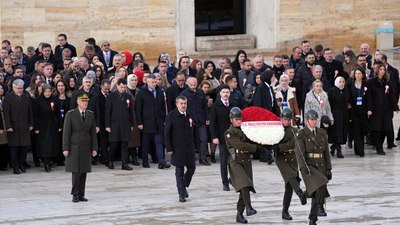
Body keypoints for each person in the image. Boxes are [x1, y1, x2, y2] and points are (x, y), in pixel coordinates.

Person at [296, 109, 332, 225]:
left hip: (320, 164)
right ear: (307, 120)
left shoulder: (321, 133)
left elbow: (326, 152)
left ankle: (312, 219)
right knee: (321, 183)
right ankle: (320, 207)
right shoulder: (302, 133)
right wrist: (302, 167)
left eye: (315, 119)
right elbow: (299, 153)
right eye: (312, 119)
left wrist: (328, 168)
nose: (314, 121)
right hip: (309, 165)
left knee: (317, 191)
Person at [224, 107, 258, 224]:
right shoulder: (229, 133)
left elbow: (252, 140)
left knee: (246, 187)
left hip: (246, 161)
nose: (239, 121)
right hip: (236, 162)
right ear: (231, 120)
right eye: (236, 119)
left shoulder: (246, 129)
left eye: (240, 119)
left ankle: (239, 214)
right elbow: (240, 145)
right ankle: (248, 207)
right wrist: (254, 148)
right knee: (244, 184)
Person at [63, 92, 98, 203]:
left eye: (86, 101)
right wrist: (65, 148)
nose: (85, 103)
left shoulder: (90, 114)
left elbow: (93, 133)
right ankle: (75, 194)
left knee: (84, 171)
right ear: (78, 102)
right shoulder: (71, 114)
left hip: (86, 146)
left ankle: (81, 194)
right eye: (83, 101)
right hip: (74, 146)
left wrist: (94, 148)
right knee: (76, 172)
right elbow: (66, 133)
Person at [274, 108, 307, 221]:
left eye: (289, 119)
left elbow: (294, 143)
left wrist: (279, 146)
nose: (287, 121)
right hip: (280, 158)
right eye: (285, 119)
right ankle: (300, 194)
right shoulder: (276, 130)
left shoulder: (295, 130)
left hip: (292, 158)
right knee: (291, 177)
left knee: (289, 186)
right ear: (281, 119)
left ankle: (285, 211)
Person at [165, 96, 196, 202]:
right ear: (177, 104)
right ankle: (181, 194)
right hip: (178, 147)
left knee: (192, 168)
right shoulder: (171, 115)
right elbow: (167, 133)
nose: (183, 105)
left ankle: (183, 185)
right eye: (181, 103)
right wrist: (169, 147)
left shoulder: (190, 114)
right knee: (179, 171)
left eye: (185, 103)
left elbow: (194, 130)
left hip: (189, 146)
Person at [135, 74, 170, 169]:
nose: (154, 84)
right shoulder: (142, 93)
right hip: (146, 123)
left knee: (159, 143)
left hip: (158, 122)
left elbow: (163, 106)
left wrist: (164, 119)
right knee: (146, 144)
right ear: (147, 82)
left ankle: (161, 162)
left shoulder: (160, 91)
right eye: (152, 82)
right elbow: (138, 109)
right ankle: (145, 161)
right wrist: (139, 122)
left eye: (155, 82)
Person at [4, 79, 34, 174]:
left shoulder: (26, 97)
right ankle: (15, 167)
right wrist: (8, 126)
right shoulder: (8, 98)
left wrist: (31, 124)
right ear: (13, 88)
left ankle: (21, 164)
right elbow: (6, 114)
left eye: (21, 88)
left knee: (25, 147)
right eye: (18, 88)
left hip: (24, 126)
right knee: (14, 149)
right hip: (13, 127)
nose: (20, 90)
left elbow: (30, 112)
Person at [367, 64, 398, 155]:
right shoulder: (371, 82)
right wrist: (369, 108)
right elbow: (369, 97)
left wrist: (395, 106)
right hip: (375, 109)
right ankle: (379, 147)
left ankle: (379, 144)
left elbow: (392, 95)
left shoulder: (387, 82)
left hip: (386, 109)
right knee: (377, 129)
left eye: (384, 69)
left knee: (385, 128)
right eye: (380, 69)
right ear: (377, 71)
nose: (382, 71)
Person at [105, 79, 135, 170]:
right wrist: (107, 125)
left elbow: (130, 112)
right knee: (114, 144)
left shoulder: (128, 97)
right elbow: (108, 112)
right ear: (117, 86)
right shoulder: (111, 96)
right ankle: (110, 161)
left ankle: (124, 164)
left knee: (125, 144)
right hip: (115, 124)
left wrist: (132, 124)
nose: (123, 89)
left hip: (125, 124)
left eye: (124, 87)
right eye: (121, 87)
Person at [33, 84, 62, 172]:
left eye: (49, 91)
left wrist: (60, 125)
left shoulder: (55, 100)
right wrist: (36, 128)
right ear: (42, 91)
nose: (48, 93)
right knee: (45, 145)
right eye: (46, 91)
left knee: (52, 145)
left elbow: (58, 114)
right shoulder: (37, 101)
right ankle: (46, 163)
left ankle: (50, 161)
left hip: (52, 125)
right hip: (42, 126)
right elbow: (35, 115)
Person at [181, 77, 210, 166]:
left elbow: (205, 107)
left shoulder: (200, 92)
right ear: (187, 84)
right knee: (190, 140)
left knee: (203, 139)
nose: (193, 87)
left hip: (201, 119)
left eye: (195, 85)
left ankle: (203, 158)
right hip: (190, 121)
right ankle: (190, 159)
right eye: (191, 85)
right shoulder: (184, 94)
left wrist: (207, 118)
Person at [210, 85, 233, 191]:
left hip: (233, 137)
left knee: (234, 160)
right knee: (223, 161)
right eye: (223, 92)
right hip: (222, 137)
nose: (225, 94)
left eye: (227, 92)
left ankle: (232, 179)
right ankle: (225, 183)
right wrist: (214, 137)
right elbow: (212, 123)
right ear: (220, 94)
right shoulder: (216, 106)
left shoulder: (233, 105)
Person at [347, 66, 368, 157]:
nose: (357, 75)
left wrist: (369, 109)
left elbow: (369, 97)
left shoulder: (366, 84)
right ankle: (361, 150)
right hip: (354, 110)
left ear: (363, 75)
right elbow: (348, 95)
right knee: (356, 129)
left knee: (362, 130)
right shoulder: (351, 83)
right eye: (356, 73)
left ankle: (358, 148)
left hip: (363, 110)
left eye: (359, 73)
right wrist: (348, 104)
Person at [327, 77, 349, 158]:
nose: (342, 83)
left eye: (343, 81)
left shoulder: (346, 91)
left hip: (343, 115)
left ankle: (333, 147)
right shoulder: (332, 91)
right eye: (340, 81)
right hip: (335, 115)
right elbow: (328, 104)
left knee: (341, 132)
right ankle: (339, 150)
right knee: (336, 133)